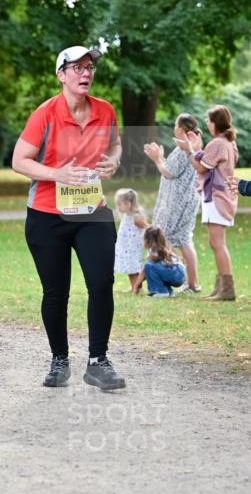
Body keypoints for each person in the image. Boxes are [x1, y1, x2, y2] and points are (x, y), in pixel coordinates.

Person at [12, 44, 126, 391]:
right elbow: (19, 161)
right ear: (61, 75)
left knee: (101, 283)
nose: (85, 73)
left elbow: (116, 145)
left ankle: (98, 361)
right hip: (48, 215)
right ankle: (59, 359)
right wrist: (56, 174)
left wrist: (114, 161)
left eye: (89, 67)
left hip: (92, 211)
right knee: (56, 291)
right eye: (76, 68)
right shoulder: (45, 114)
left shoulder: (104, 110)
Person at [184, 105, 238, 301]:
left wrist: (192, 150)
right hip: (220, 195)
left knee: (217, 243)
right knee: (216, 243)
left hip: (217, 196)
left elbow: (201, 167)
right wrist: (198, 149)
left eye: (208, 120)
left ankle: (227, 290)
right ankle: (221, 287)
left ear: (216, 123)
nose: (207, 123)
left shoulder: (217, 143)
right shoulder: (228, 142)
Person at [143, 113, 201, 292]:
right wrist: (160, 157)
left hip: (177, 202)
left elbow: (168, 172)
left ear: (184, 129)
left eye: (176, 125)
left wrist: (156, 159)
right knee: (184, 239)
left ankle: (167, 279)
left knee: (165, 237)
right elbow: (172, 168)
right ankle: (191, 283)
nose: (173, 129)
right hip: (185, 201)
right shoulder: (189, 147)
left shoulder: (185, 148)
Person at [134, 226, 186, 297]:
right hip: (181, 274)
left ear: (148, 239)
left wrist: (136, 285)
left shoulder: (153, 251)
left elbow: (145, 270)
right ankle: (169, 292)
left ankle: (160, 291)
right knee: (158, 269)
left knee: (148, 266)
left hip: (174, 274)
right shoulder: (166, 246)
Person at [114, 188, 147, 290]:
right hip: (126, 247)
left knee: (132, 268)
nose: (117, 207)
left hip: (133, 248)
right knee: (130, 267)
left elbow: (147, 227)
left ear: (128, 204)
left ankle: (136, 286)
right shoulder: (126, 215)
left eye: (119, 204)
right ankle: (136, 285)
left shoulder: (135, 217)